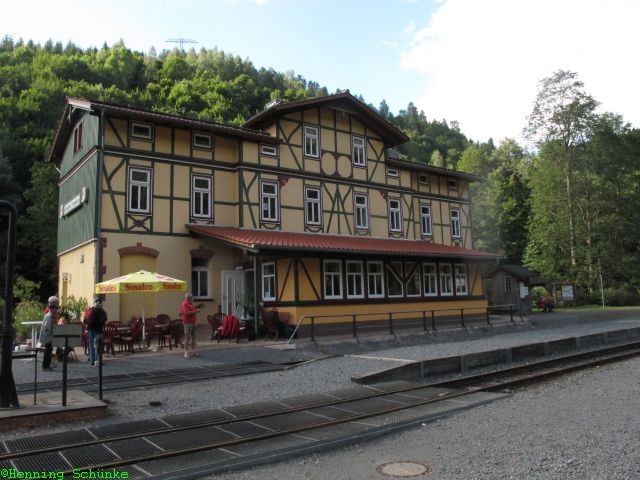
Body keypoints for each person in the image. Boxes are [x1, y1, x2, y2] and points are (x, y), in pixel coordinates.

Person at [39, 296, 59, 371]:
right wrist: (50, 335)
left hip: (50, 338)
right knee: (47, 352)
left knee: (49, 352)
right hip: (48, 338)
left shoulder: (51, 316)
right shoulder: (49, 316)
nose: (56, 310)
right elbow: (47, 328)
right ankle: (45, 366)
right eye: (55, 308)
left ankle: (47, 365)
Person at [86, 297, 108, 366]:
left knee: (91, 345)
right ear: (100, 304)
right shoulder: (102, 311)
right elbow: (104, 320)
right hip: (98, 330)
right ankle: (97, 360)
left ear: (94, 303)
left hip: (91, 330)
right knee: (98, 346)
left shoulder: (90, 310)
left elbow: (85, 320)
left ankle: (92, 361)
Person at [180, 292, 199, 358]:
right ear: (188, 298)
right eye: (192, 297)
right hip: (187, 323)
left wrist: (196, 309)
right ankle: (186, 352)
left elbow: (192, 311)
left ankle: (194, 351)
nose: (193, 298)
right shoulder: (185, 304)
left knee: (194, 337)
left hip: (193, 322)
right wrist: (196, 311)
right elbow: (187, 313)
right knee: (187, 337)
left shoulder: (191, 304)